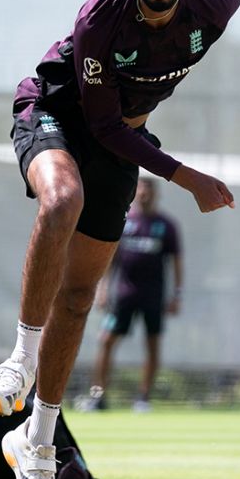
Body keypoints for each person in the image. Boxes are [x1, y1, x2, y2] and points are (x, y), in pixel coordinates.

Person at [0, 0, 240, 479]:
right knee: (62, 199)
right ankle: (20, 361)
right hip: (55, 113)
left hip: (119, 143)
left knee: (78, 300)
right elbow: (99, 123)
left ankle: (36, 446)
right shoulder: (102, 18)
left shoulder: (209, 1)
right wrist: (187, 178)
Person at [82, 176, 182, 413]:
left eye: (149, 191)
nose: (144, 195)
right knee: (106, 340)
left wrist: (176, 295)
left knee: (152, 344)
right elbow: (110, 259)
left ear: (155, 194)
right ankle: (98, 395)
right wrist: (103, 288)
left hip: (153, 297)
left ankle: (143, 397)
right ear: (135, 193)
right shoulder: (124, 222)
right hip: (123, 296)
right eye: (141, 190)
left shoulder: (166, 226)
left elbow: (176, 262)